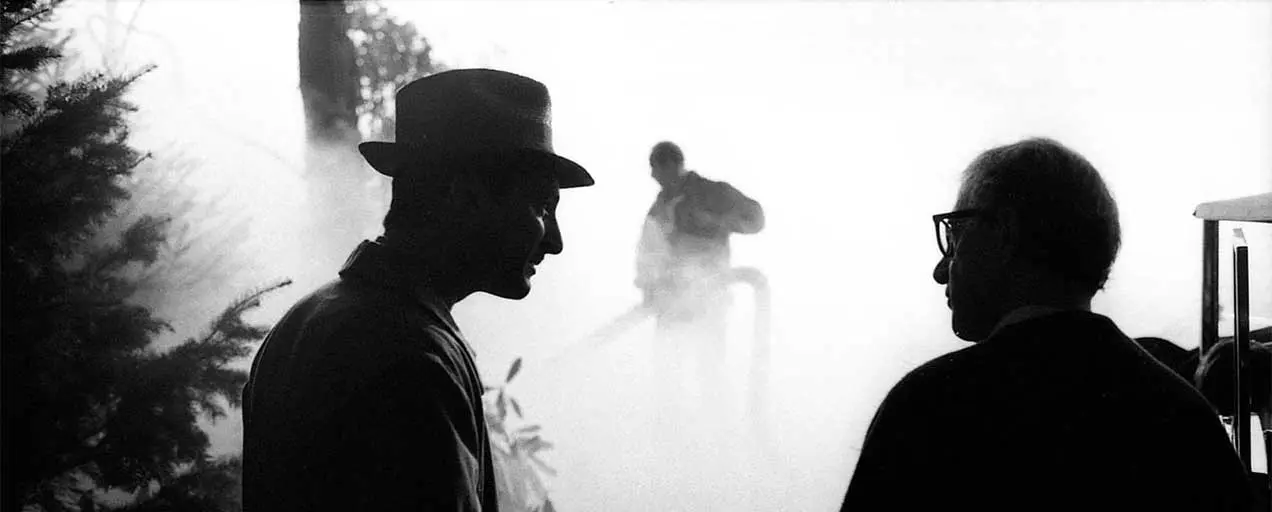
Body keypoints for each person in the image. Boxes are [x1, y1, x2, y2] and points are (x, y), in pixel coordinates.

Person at [241, 69, 593, 512]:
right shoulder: (413, 359)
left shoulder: (306, 320)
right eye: (542, 206)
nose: (554, 241)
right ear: (464, 196)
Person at [840, 138, 1254, 511]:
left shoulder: (927, 410)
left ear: (1003, 234)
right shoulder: (1185, 420)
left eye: (956, 234)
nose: (941, 270)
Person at [636, 141, 764, 352]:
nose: (653, 176)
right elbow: (647, 253)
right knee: (668, 372)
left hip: (709, 297)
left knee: (709, 369)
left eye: (655, 168)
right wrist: (649, 289)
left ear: (671, 165)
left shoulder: (712, 193)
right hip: (671, 302)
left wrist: (718, 222)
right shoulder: (658, 210)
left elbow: (756, 218)